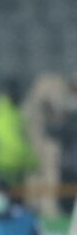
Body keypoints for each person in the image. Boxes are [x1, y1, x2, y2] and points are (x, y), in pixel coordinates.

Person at [42, 74, 77, 215]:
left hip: (71, 165)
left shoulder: (70, 117)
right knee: (66, 203)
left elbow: (63, 131)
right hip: (69, 167)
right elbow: (53, 132)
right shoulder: (69, 115)